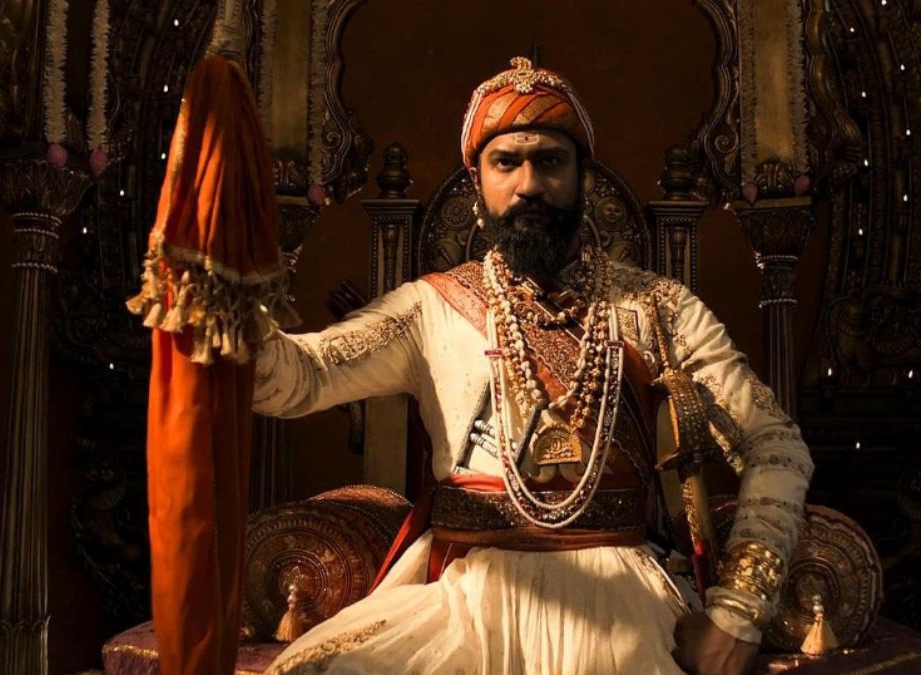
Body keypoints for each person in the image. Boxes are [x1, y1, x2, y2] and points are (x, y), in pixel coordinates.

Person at [253, 57, 813, 675]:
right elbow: (294, 380)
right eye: (506, 163)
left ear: (582, 176)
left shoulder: (659, 309)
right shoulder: (428, 309)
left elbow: (776, 445)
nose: (529, 185)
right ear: (477, 182)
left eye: (549, 161)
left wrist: (739, 612)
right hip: (462, 598)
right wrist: (225, 295)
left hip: (622, 601)